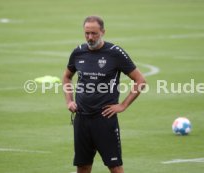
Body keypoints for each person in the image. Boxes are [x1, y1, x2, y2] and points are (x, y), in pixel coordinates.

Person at [62, 15, 146, 173]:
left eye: (94, 33)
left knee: (114, 167)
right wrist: (69, 101)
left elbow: (140, 81)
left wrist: (123, 105)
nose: (90, 37)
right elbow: (67, 76)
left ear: (103, 32)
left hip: (104, 120)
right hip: (81, 118)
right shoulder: (78, 52)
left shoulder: (115, 53)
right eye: (87, 33)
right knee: (83, 166)